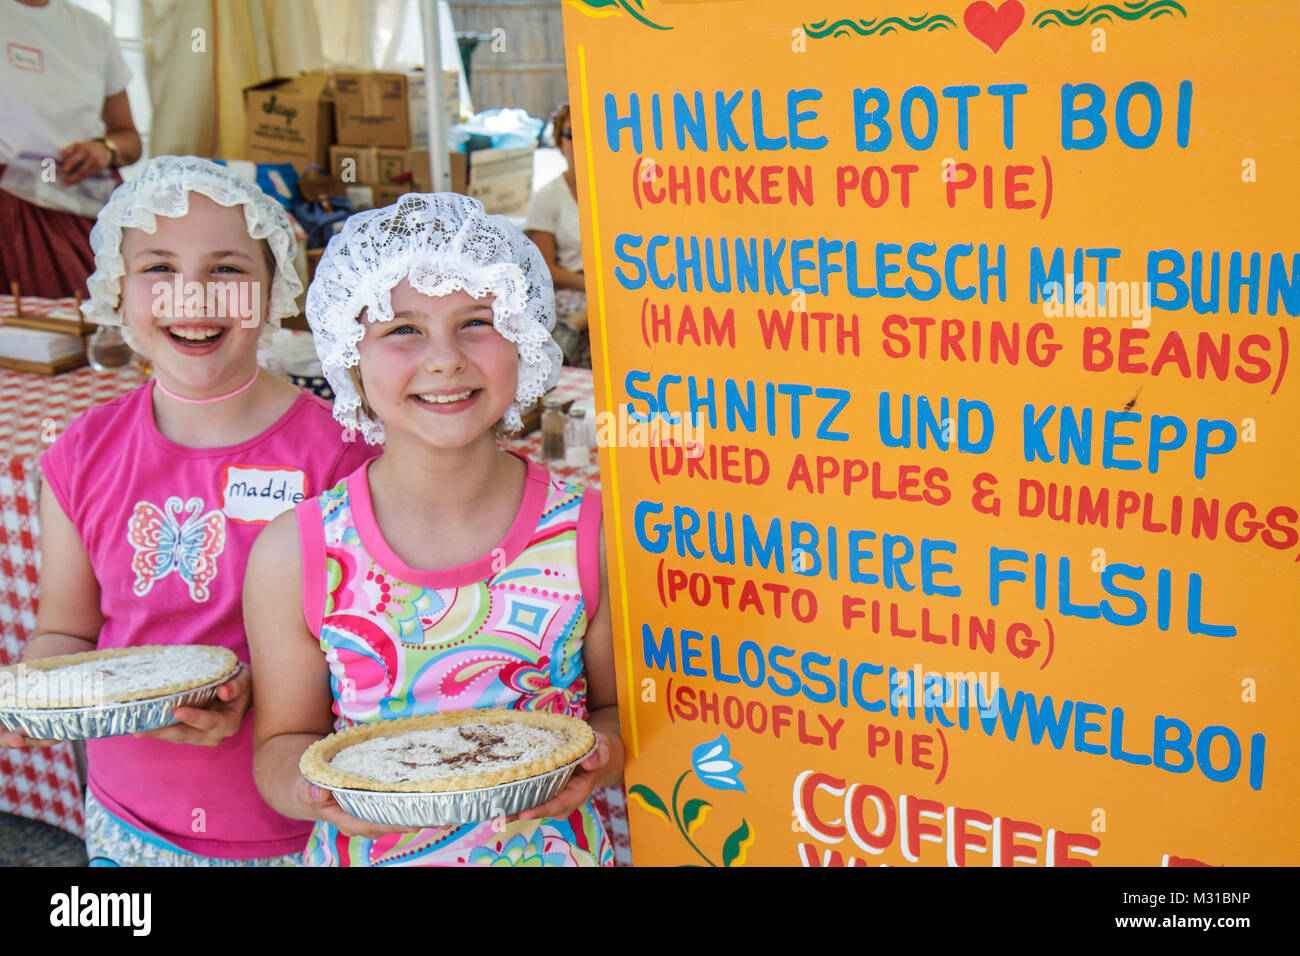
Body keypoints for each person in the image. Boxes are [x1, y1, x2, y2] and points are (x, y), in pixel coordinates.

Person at [3, 157, 375, 865]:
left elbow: (369, 657)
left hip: (295, 830)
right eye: (158, 268)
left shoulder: (339, 457)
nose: (192, 297)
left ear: (272, 292)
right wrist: (41, 695)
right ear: (116, 290)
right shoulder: (80, 453)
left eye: (228, 270)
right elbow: (65, 631)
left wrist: (260, 698)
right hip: (126, 820)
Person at [244, 193, 622, 866]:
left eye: (478, 322)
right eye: (403, 329)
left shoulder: (590, 535)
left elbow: (619, 712)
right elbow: (281, 746)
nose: (444, 359)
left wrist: (605, 752)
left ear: (526, 337)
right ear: (347, 352)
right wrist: (311, 794)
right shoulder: (294, 555)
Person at [1, 0, 143, 298]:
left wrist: (105, 149)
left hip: (87, 203)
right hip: (12, 209)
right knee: (27, 335)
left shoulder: (92, 29)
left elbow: (129, 139)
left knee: (110, 323)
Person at [524, 103, 590, 368]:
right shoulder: (548, 196)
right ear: (560, 142)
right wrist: (592, 285)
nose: (579, 142)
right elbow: (544, 269)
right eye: (571, 134)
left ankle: (573, 327)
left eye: (587, 133)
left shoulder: (617, 189)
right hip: (575, 285)